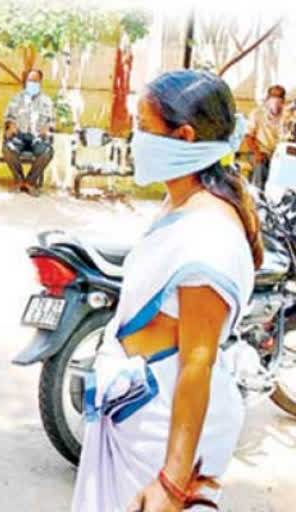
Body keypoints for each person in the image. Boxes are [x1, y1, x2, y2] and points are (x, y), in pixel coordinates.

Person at [72, 70, 262, 511]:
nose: (134, 137)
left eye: (143, 127)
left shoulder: (209, 236)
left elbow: (197, 362)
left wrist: (172, 483)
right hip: (138, 410)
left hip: (162, 429)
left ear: (185, 136)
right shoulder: (179, 202)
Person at [2, 69, 55, 195]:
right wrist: (11, 125)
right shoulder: (16, 99)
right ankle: (19, 180)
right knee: (8, 149)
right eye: (30, 81)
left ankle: (30, 182)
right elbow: (8, 116)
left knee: (47, 152)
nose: (32, 83)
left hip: (37, 136)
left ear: (40, 82)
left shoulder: (46, 101)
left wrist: (47, 128)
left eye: (35, 81)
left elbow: (52, 121)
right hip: (19, 135)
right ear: (26, 82)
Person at [244, 84, 286, 189]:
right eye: (273, 96)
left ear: (283, 100)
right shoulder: (257, 113)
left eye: (280, 96)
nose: (276, 100)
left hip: (279, 154)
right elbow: (249, 137)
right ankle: (258, 197)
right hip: (259, 151)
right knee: (261, 165)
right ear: (267, 98)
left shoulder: (288, 115)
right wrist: (257, 153)